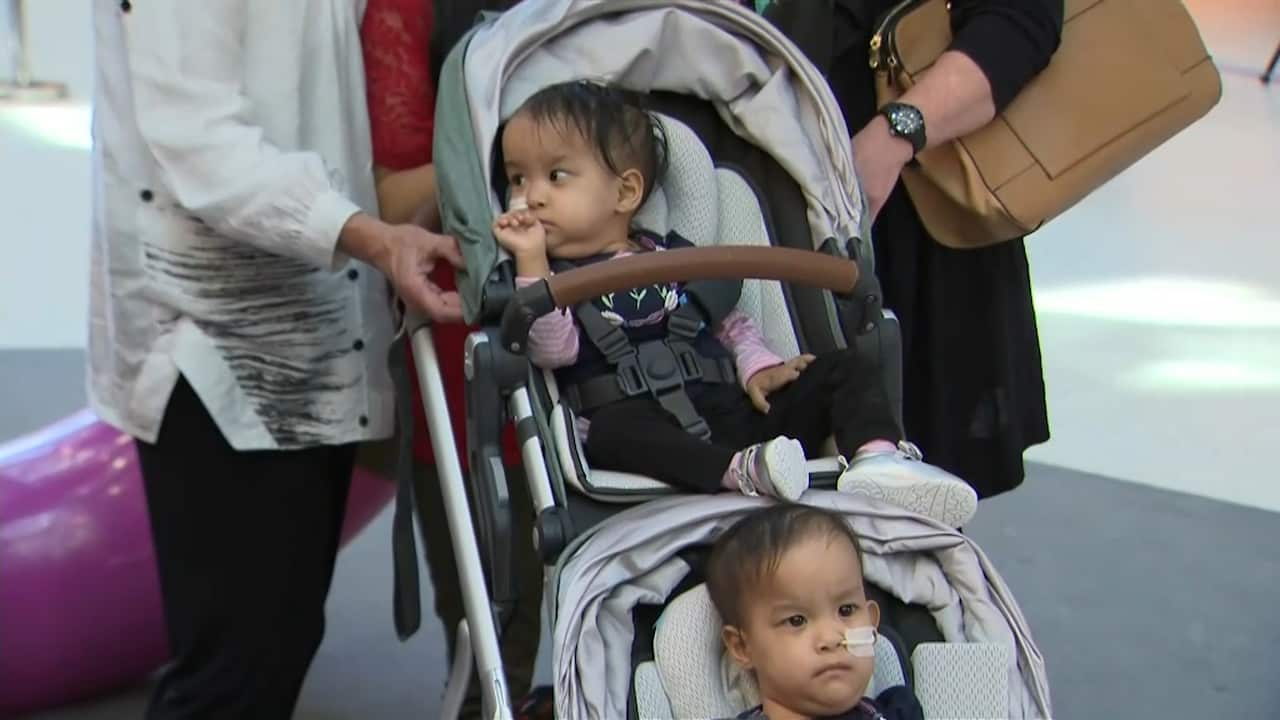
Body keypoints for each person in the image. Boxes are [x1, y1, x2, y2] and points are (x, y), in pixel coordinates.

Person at [89, 2, 466, 717]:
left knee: (278, 642)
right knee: (233, 673)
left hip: (318, 324)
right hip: (213, 345)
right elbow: (197, 137)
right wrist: (372, 237)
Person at [492, 80, 977, 527]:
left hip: (729, 407)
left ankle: (879, 459)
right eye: (516, 180)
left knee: (844, 369)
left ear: (626, 192)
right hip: (638, 424)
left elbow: (729, 324)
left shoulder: (675, 258)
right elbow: (553, 350)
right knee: (608, 432)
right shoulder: (550, 279)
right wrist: (532, 262)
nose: (529, 197)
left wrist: (759, 368)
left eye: (555, 176)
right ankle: (737, 472)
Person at [753, 0, 1063, 501]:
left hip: (905, 204)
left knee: (906, 506)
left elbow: (1019, 20)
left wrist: (894, 136)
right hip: (744, 204)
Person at [359, 1, 547, 718]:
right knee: (494, 633)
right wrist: (496, 147)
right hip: (472, 344)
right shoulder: (410, 12)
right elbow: (394, 201)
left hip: (624, 327)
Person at [706, 504, 925, 720]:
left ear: (871, 623)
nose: (831, 639)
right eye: (796, 620)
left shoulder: (899, 711)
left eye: (846, 610)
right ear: (742, 646)